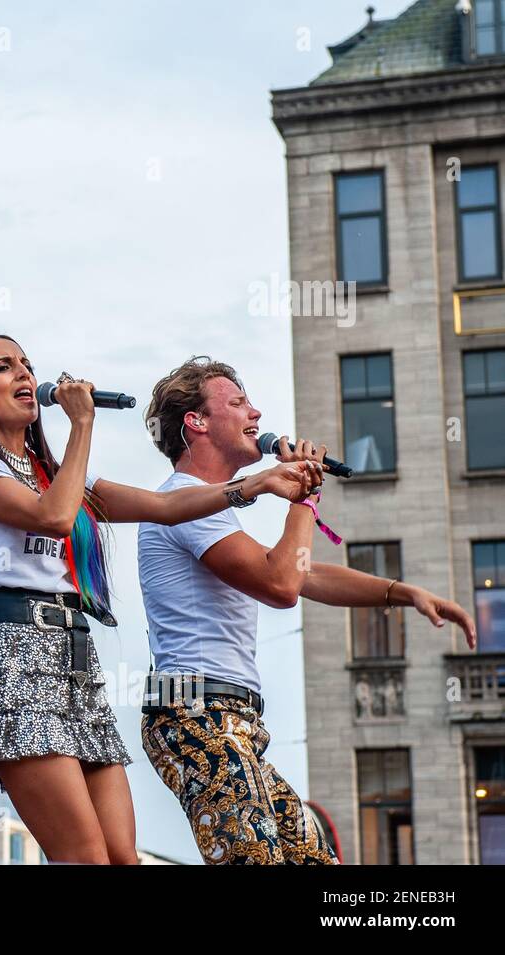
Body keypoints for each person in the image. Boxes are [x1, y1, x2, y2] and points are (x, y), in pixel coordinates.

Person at [0, 335, 318, 865]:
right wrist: (83, 424)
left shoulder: (55, 475)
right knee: (85, 856)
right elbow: (54, 517)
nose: (25, 374)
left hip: (72, 657)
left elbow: (163, 507)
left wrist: (256, 485)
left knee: (121, 856)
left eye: (27, 363)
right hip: (11, 653)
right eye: (4, 367)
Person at [136, 356, 477, 865]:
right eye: (238, 402)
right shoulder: (185, 500)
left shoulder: (211, 507)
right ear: (196, 422)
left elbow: (300, 571)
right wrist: (304, 497)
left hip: (231, 717)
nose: (256, 412)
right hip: (195, 711)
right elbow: (282, 584)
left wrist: (403, 593)